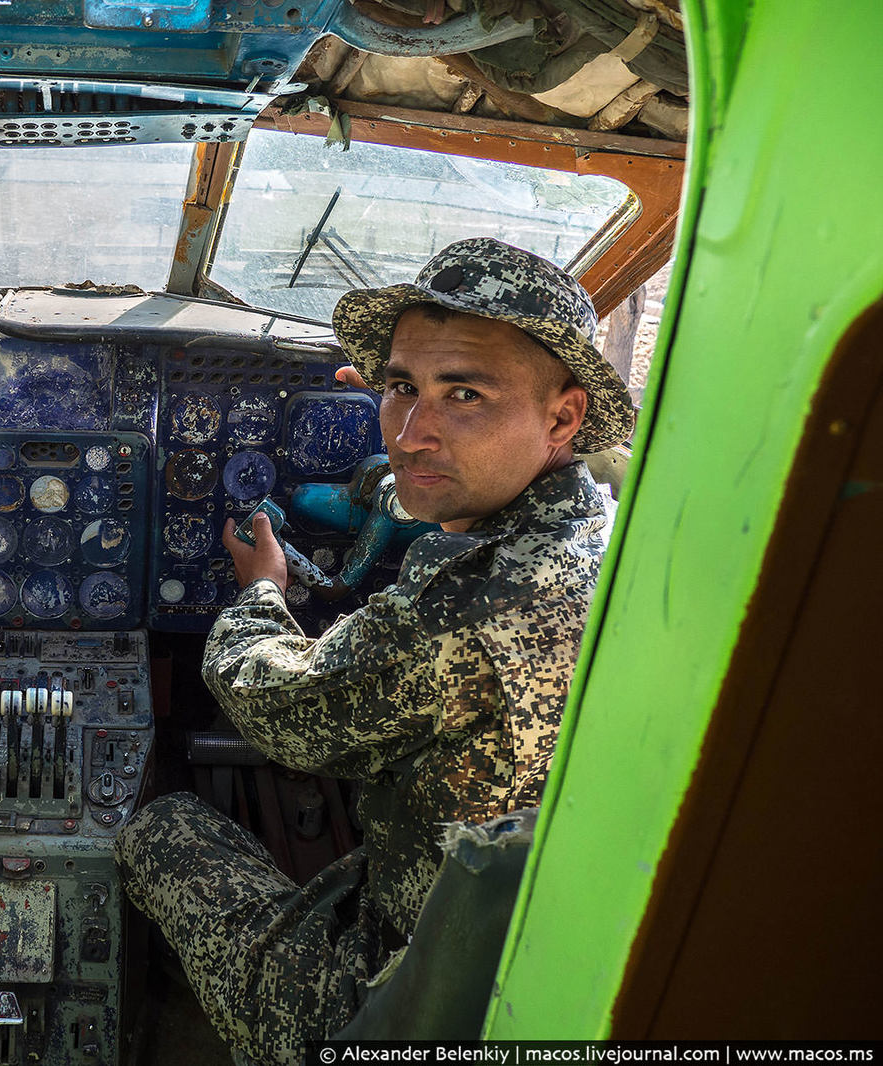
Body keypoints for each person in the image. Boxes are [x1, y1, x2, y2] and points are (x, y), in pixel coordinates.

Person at [116, 237, 637, 1065]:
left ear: (564, 416)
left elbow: (271, 704)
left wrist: (262, 592)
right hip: (520, 942)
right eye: (401, 388)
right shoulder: (596, 528)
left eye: (464, 393)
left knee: (159, 829)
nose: (412, 433)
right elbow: (418, 474)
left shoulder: (467, 611)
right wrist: (406, 459)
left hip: (402, 989)